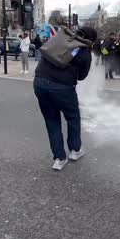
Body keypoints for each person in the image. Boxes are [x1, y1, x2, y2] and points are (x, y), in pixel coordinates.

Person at [33, 27, 97, 171]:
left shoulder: (61, 37)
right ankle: (75, 150)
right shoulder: (84, 50)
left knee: (51, 120)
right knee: (73, 117)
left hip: (39, 82)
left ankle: (59, 158)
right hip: (62, 87)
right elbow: (81, 76)